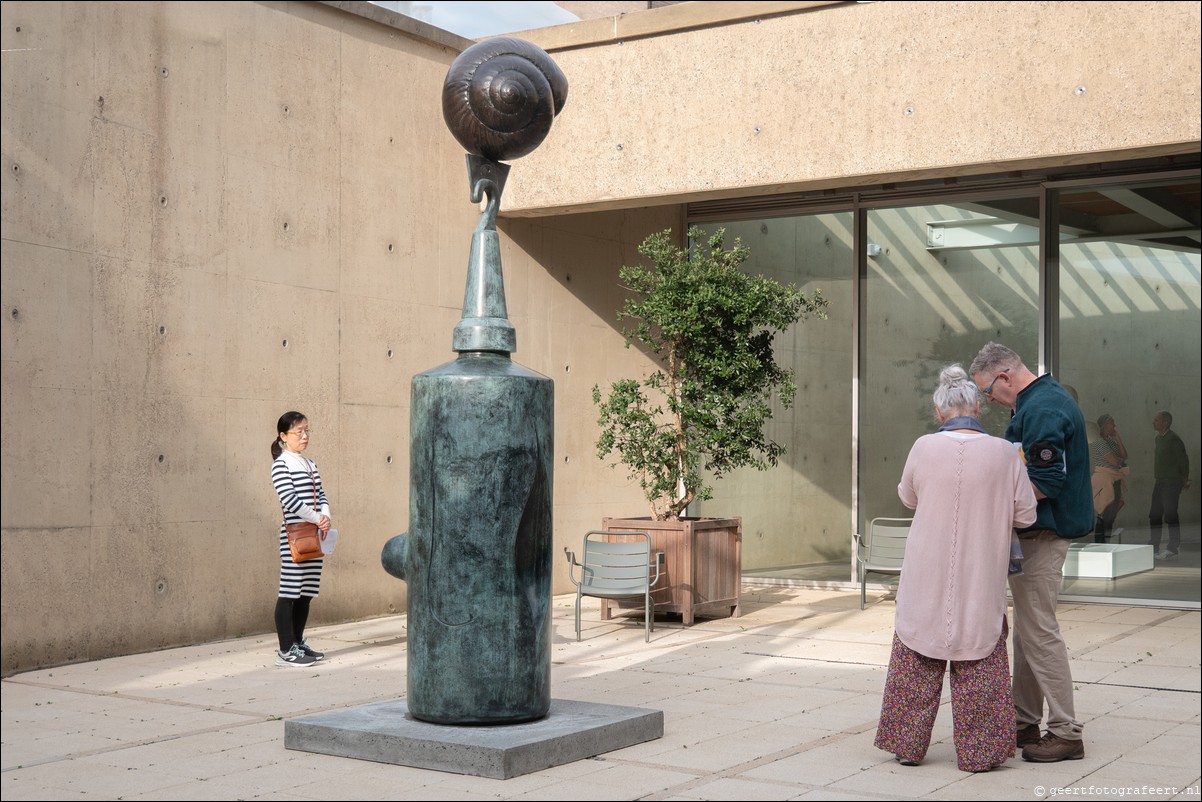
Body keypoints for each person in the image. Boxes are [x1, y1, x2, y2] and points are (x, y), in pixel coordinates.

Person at [875, 365, 1038, 773]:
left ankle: (908, 746)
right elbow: (1026, 514)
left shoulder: (923, 447)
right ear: (978, 406)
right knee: (979, 654)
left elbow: (908, 498)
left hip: (925, 570)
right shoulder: (1005, 452)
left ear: (938, 410)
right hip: (981, 569)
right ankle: (980, 753)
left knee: (917, 651)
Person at [970, 342, 1093, 763]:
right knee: (1028, 631)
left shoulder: (1041, 409)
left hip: (1044, 533)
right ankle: (1024, 721)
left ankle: (1066, 731)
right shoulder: (1036, 402)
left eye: (988, 391)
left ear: (1005, 376)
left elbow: (1043, 483)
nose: (988, 400)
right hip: (1036, 533)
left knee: (1039, 631)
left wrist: (992, 507)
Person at [270, 411, 332, 667]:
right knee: (290, 591)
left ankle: (298, 642)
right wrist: (317, 518)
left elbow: (322, 495)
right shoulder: (281, 465)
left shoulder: (310, 464)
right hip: (295, 536)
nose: (305, 436)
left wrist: (325, 516)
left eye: (307, 430)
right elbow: (290, 500)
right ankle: (286, 650)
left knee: (306, 592)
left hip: (315, 536)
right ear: (284, 436)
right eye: (299, 432)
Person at [1149, 410, 1191, 560]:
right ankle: (1153, 547)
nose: (1153, 422)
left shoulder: (1174, 439)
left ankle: (1173, 548)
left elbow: (1183, 461)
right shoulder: (1158, 439)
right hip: (1159, 481)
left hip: (1172, 482)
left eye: (1156, 420)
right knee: (1154, 515)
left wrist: (1185, 480)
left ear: (1165, 423)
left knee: (1170, 514)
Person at [1090, 413, 1129, 543]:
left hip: (1114, 480)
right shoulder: (1099, 442)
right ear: (1105, 425)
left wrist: (1118, 438)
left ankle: (1105, 543)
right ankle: (1100, 544)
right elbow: (1114, 461)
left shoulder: (1110, 441)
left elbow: (1124, 455)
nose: (1115, 426)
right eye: (1112, 423)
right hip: (1104, 481)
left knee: (1111, 514)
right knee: (1104, 513)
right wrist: (1120, 462)